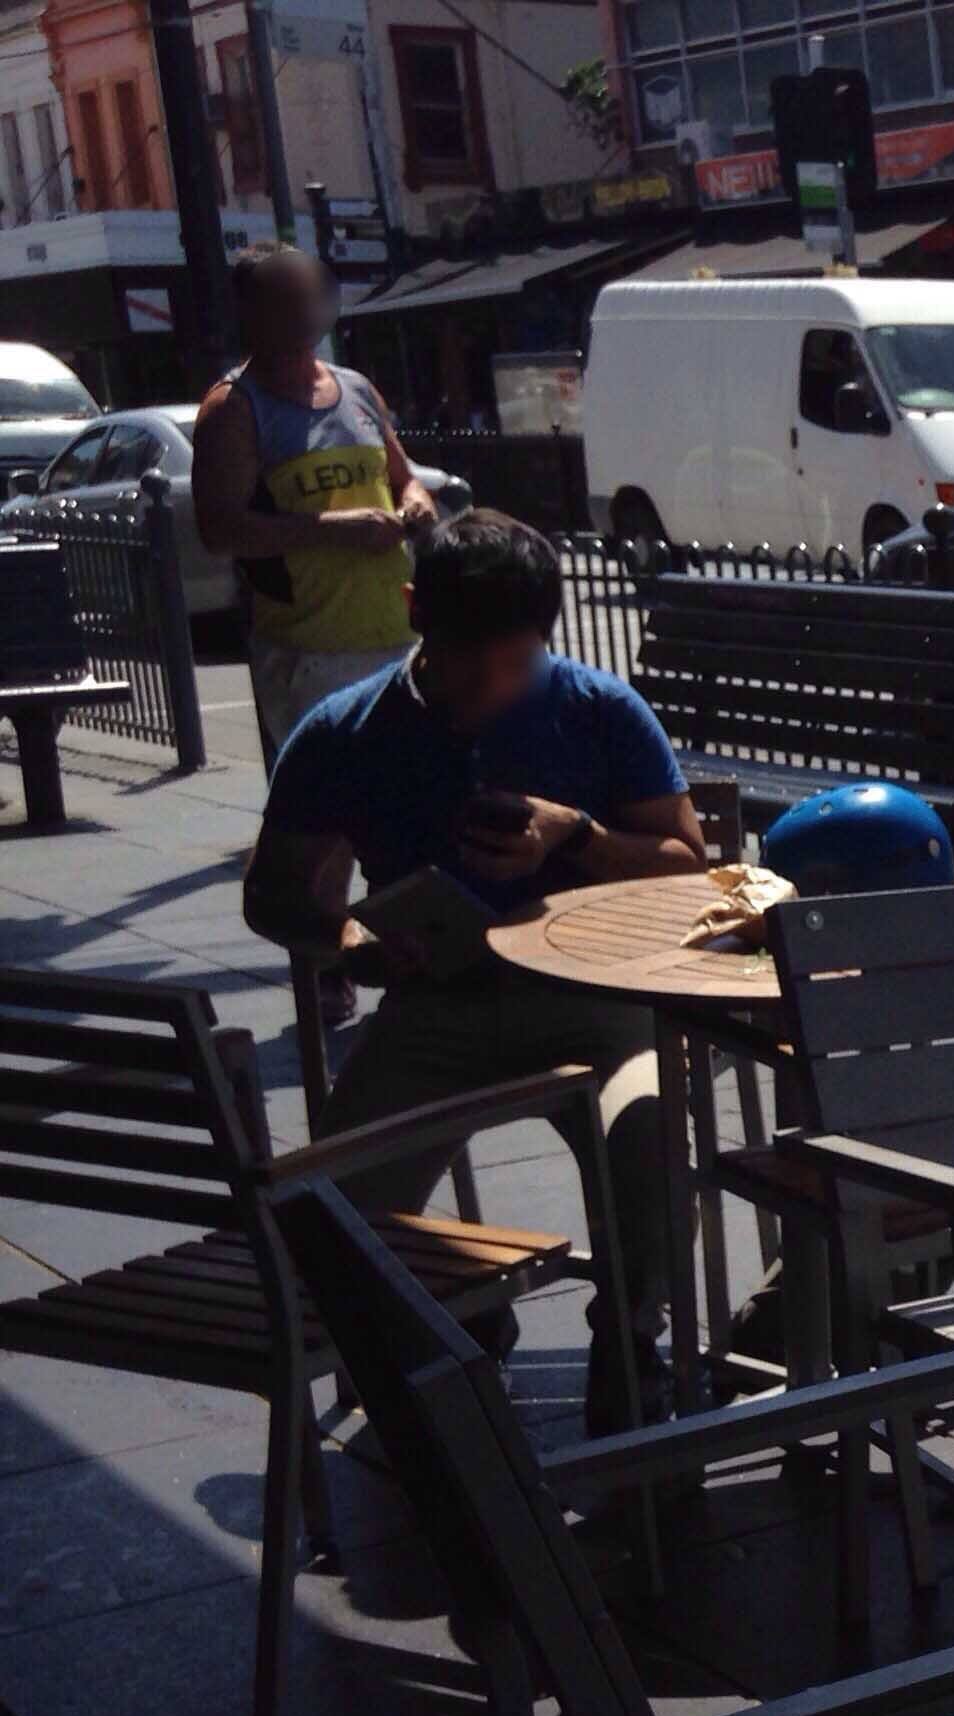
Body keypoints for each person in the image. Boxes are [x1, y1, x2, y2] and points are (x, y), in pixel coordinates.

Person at [240, 510, 706, 1429]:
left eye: (518, 662)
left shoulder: (597, 710)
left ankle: (629, 1345)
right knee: (332, 1213)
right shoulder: (347, 731)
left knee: (651, 1144)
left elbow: (689, 862)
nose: (492, 688)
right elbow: (274, 895)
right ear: (415, 614)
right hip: (435, 1010)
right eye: (467, 662)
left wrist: (577, 833)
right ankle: (460, 1307)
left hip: (598, 1002)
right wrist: (352, 944)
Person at [191, 241, 436, 763]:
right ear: (251, 313)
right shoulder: (233, 409)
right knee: (334, 824)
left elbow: (403, 477)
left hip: (399, 635)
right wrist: (336, 529)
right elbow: (220, 530)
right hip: (310, 654)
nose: (305, 313)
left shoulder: (358, 390)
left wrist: (415, 504)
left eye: (310, 296)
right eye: (287, 301)